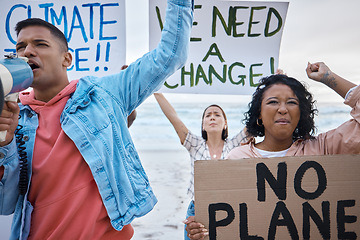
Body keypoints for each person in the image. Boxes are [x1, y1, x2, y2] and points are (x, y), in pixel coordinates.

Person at [0, 0, 193, 239]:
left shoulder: (103, 94)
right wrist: (4, 145)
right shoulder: (13, 116)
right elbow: (5, 204)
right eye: (20, 47)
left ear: (66, 59)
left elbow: (170, 55)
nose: (27, 51)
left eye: (40, 44)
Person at [184, 62, 360, 239]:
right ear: (259, 113)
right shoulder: (237, 158)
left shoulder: (323, 148)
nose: (282, 109)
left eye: (291, 102)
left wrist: (329, 78)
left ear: (301, 113)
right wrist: (201, 232)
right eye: (273, 102)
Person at [154, 92, 247, 240]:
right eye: (208, 115)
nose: (212, 117)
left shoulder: (235, 145)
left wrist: (274, 82)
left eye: (217, 115)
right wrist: (155, 90)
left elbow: (257, 118)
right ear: (203, 125)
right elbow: (173, 117)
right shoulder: (194, 144)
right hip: (197, 213)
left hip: (228, 211)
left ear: (225, 123)